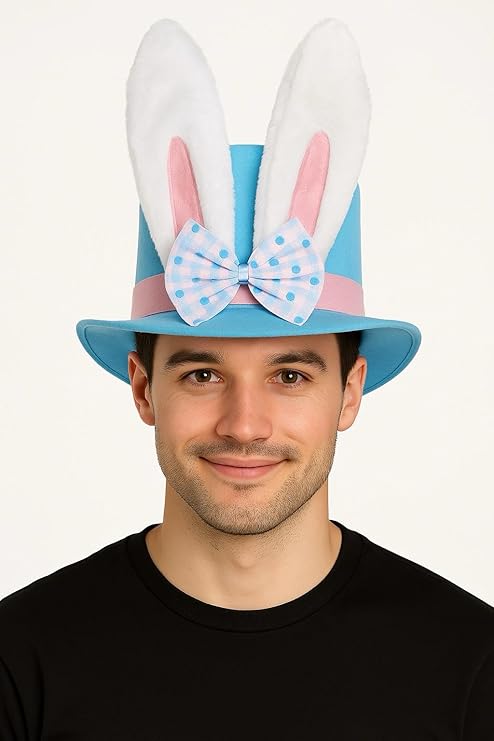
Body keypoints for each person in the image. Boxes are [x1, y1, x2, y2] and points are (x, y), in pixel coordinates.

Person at [1, 17, 493, 739]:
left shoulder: (472, 665)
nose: (244, 423)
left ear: (350, 391)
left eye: (290, 375)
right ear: (143, 387)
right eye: (203, 373)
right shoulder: (19, 663)